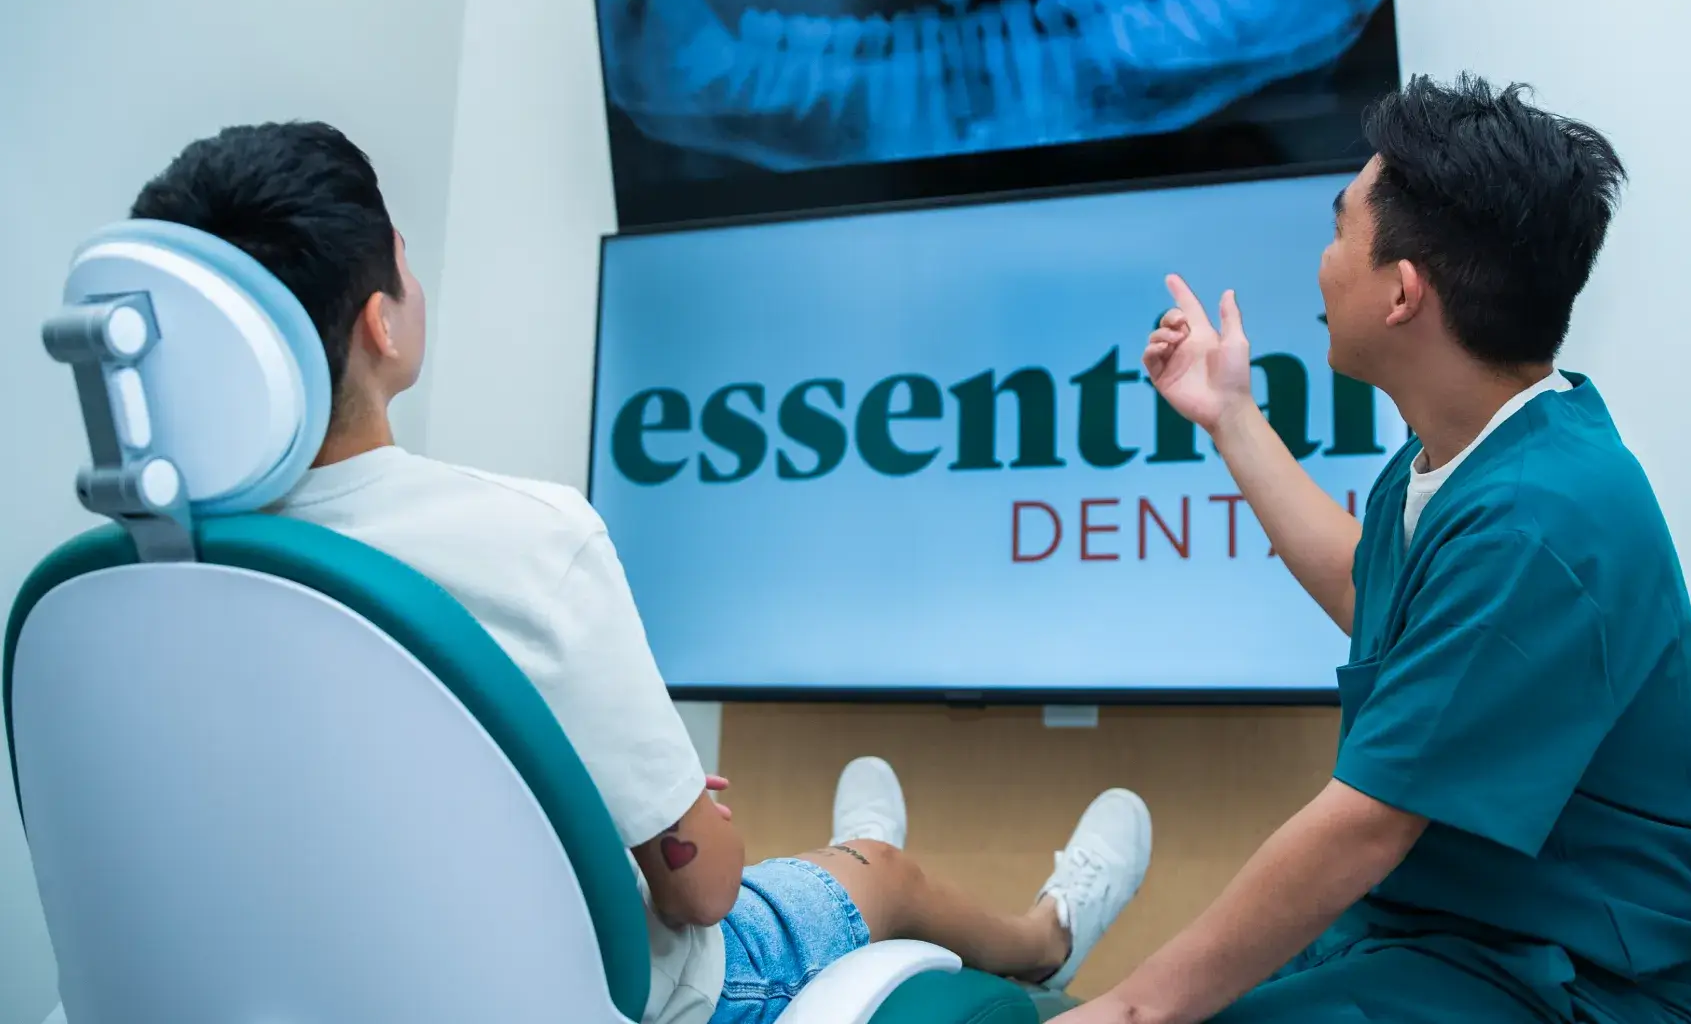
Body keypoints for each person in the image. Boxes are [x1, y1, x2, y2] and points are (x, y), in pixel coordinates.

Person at [128, 123, 1152, 1024]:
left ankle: (850, 859)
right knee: (868, 878)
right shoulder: (526, 538)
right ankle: (1043, 934)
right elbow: (700, 896)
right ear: (381, 320)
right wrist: (686, 821)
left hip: (297, 992)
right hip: (625, 997)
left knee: (797, 857)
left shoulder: (133, 583)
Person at [1063, 76, 1691, 1024]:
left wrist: (1131, 1011)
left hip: (1558, 989)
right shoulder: (1479, 456)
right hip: (1442, 944)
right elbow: (1374, 595)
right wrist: (1229, 416)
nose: (1322, 263)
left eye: (1339, 232)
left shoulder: (1538, 519)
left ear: (1403, 292)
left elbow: (1363, 828)